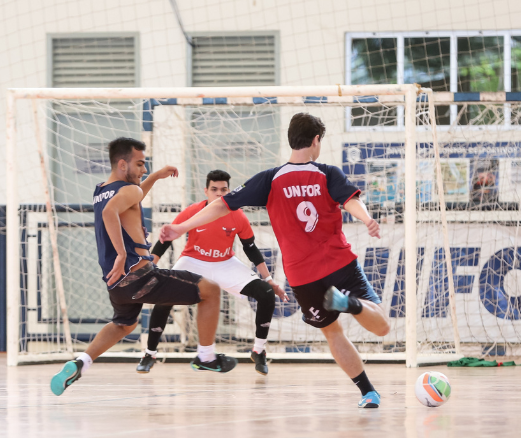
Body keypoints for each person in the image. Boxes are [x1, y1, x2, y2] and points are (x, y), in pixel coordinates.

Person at [160, 113, 390, 408]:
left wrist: (180, 228)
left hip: (302, 276)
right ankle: (352, 304)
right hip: (339, 263)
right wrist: (368, 219)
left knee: (333, 332)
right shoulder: (327, 173)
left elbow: (221, 205)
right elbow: (350, 201)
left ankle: (368, 392)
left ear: (290, 139)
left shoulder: (270, 179)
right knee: (381, 327)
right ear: (316, 140)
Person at [51, 137, 237, 396]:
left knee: (123, 324)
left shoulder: (101, 189)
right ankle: (206, 358)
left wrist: (156, 177)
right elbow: (113, 212)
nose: (144, 170)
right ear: (123, 164)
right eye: (140, 164)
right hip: (140, 276)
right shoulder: (129, 191)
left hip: (116, 284)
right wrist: (120, 253)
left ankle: (81, 362)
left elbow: (129, 199)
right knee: (211, 290)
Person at [139, 170, 289, 376]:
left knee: (266, 293)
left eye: (224, 190)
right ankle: (149, 354)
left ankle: (259, 351)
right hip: (193, 261)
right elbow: (165, 240)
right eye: (214, 190)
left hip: (225, 263)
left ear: (229, 190)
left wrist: (269, 279)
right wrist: (150, 267)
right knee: (164, 298)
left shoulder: (237, 215)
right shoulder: (193, 211)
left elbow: (251, 248)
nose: (219, 194)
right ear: (206, 191)